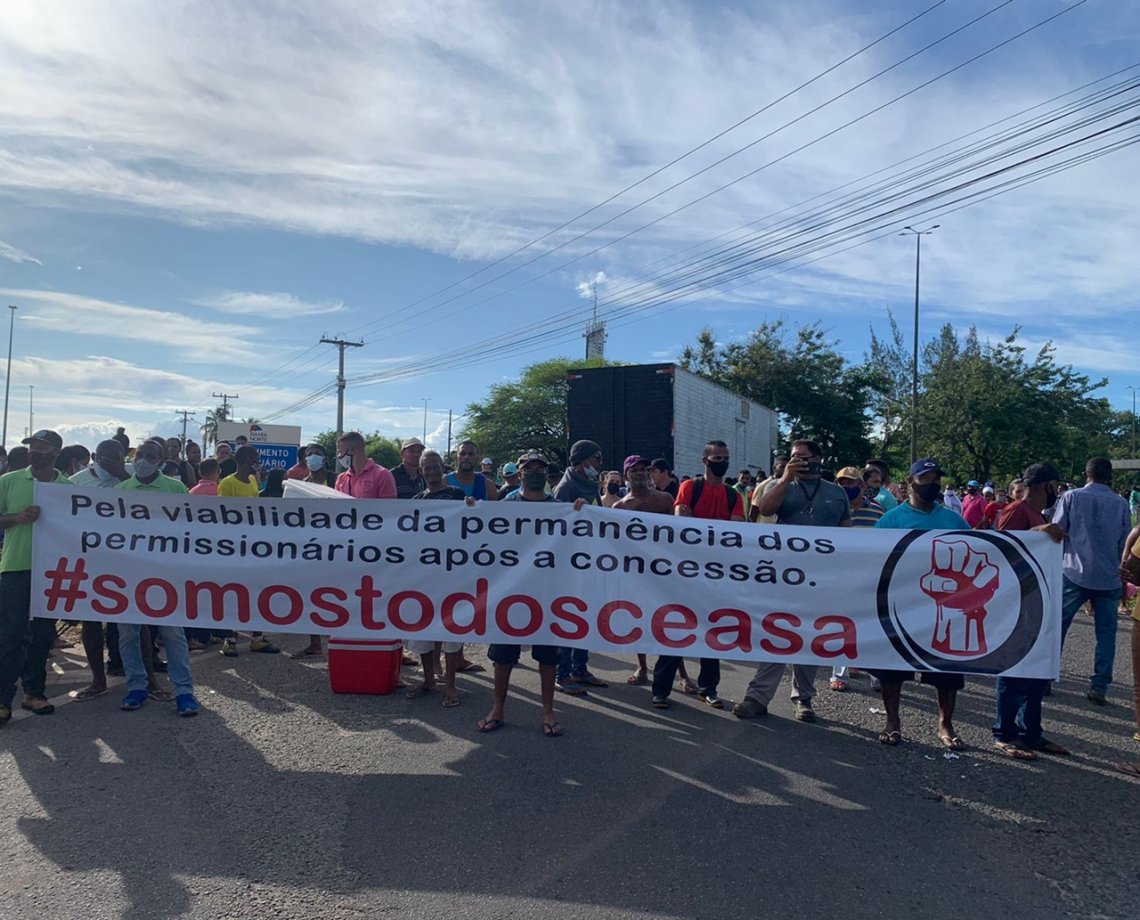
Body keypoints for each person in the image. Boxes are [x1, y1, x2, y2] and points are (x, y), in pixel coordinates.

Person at [735, 440, 851, 721]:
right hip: (784, 576)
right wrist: (786, 477)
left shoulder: (837, 494)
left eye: (803, 457)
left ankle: (804, 699)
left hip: (819, 579)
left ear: (818, 458)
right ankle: (757, 697)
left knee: (809, 637)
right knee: (777, 631)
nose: (797, 460)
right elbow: (764, 509)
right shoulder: (781, 486)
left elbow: (847, 535)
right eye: (792, 457)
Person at [870, 458, 970, 748]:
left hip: (943, 608)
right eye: (925, 478)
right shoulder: (891, 520)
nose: (933, 484)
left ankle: (945, 723)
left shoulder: (953, 519)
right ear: (911, 481)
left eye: (936, 478)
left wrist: (1039, 537)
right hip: (901, 605)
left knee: (946, 671)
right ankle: (892, 720)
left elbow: (985, 549)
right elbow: (870, 559)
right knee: (893, 668)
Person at [479, 450, 567, 737]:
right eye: (529, 468)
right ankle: (498, 708)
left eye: (540, 468)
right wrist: (470, 512)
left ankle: (548, 711)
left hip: (547, 593)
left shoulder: (560, 508)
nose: (535, 472)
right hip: (511, 592)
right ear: (519, 473)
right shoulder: (505, 506)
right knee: (503, 656)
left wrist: (580, 512)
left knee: (548, 658)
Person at [653, 440, 744, 711]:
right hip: (686, 574)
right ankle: (660, 690)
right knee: (676, 629)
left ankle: (708, 688)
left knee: (712, 631)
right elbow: (683, 521)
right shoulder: (690, 487)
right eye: (717, 457)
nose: (722, 462)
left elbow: (737, 531)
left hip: (717, 576)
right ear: (705, 461)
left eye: (725, 457)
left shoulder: (733, 495)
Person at [114, 440, 200, 716]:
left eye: (150, 456)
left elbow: (190, 532)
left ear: (161, 461)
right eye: (139, 455)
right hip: (128, 574)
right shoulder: (120, 491)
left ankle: (184, 691)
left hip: (166, 574)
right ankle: (136, 686)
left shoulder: (175, 489)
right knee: (128, 633)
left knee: (172, 632)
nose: (142, 460)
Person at [990, 462, 1069, 759]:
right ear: (1046, 486)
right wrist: (1040, 532)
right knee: (1014, 668)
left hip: (1038, 600)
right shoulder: (1016, 510)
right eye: (1056, 486)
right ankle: (1004, 733)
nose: (1057, 492)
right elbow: (1002, 548)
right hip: (1017, 603)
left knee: (1037, 668)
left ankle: (1031, 731)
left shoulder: (1038, 514)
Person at [0, 430, 72, 724]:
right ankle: (3, 698)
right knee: (10, 635)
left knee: (42, 635)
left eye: (42, 448)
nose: (35, 452)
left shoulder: (68, 488)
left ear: (55, 452)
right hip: (16, 566)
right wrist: (16, 518)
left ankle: (35, 693)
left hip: (52, 570)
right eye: (32, 447)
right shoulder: (9, 481)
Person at [1052, 457, 1131, 705]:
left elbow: (1057, 530)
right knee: (1106, 633)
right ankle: (1099, 685)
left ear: (1086, 474)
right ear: (1110, 477)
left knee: (1058, 626)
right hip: (1108, 576)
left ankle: (1045, 677)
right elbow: (1124, 541)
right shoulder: (1120, 503)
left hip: (1074, 571)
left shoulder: (1071, 497)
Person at [404, 450, 471, 706]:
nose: (431, 471)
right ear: (421, 470)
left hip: (451, 574)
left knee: (450, 629)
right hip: (425, 576)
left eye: (435, 467)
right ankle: (430, 680)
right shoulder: (417, 500)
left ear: (442, 468)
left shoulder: (457, 496)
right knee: (424, 628)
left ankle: (452, 686)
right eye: (426, 467)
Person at [552, 439, 607, 694]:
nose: (599, 464)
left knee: (584, 618)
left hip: (589, 562)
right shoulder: (565, 489)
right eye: (596, 458)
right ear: (583, 460)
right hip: (569, 567)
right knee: (568, 619)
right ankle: (562, 674)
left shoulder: (590, 484)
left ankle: (579, 668)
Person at [217, 445, 279, 656]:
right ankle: (230, 639)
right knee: (232, 592)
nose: (259, 463)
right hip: (233, 547)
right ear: (246, 461)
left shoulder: (253, 481)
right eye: (256, 459)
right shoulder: (227, 484)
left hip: (254, 545)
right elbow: (223, 515)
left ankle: (257, 638)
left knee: (255, 591)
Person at [335, 431, 397, 498]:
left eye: (340, 452)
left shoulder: (382, 475)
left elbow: (389, 506)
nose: (339, 456)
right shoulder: (341, 478)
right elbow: (337, 506)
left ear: (352, 450)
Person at [749, 455, 788, 524]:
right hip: (766, 529)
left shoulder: (791, 485)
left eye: (787, 467)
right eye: (782, 467)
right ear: (774, 468)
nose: (785, 469)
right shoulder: (763, 486)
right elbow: (753, 513)